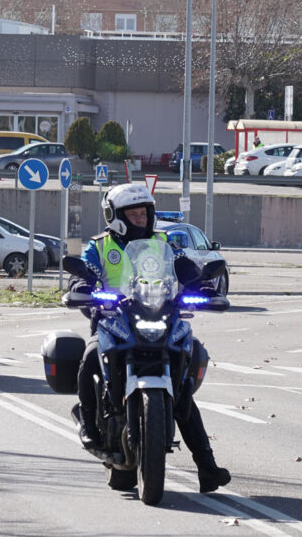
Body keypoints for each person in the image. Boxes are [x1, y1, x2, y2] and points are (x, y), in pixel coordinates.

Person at [70, 183, 231, 493]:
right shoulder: (100, 245)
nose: (140, 219)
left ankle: (207, 467)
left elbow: (185, 268)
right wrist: (81, 286)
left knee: (183, 392)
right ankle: (89, 427)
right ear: (116, 216)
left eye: (144, 213)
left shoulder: (163, 242)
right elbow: (84, 271)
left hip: (161, 316)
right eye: (133, 214)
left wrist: (203, 287)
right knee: (89, 357)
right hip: (113, 320)